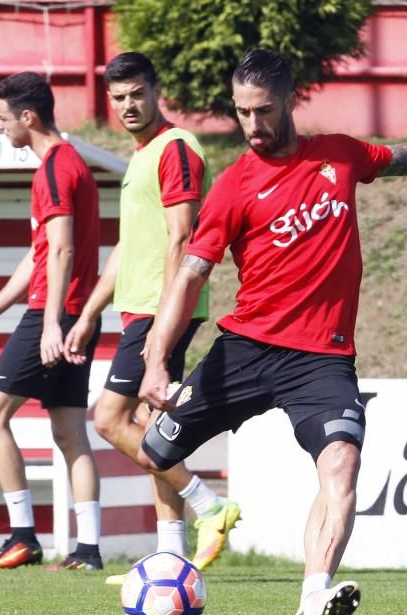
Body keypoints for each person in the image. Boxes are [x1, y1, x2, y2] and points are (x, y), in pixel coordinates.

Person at [136, 49, 407, 615]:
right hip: (247, 348)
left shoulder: (339, 155)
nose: (253, 125)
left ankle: (314, 594)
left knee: (342, 462)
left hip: (321, 358)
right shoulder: (234, 187)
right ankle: (197, 525)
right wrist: (157, 359)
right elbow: (190, 274)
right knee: (154, 450)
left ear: (289, 100)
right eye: (242, 113)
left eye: (263, 110)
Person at [62, 52, 239, 579]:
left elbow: (182, 237)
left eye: (136, 93)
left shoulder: (177, 148)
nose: (128, 105)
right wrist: (89, 313)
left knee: (110, 420)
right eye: (118, 98)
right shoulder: (139, 156)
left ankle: (210, 506)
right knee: (151, 427)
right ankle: (171, 556)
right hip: (138, 310)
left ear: (156, 91)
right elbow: (126, 246)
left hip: (160, 311)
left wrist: (165, 321)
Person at [0, 72, 104, 571]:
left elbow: (61, 249)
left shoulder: (56, 169)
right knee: (69, 432)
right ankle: (87, 550)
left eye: (2, 119)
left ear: (28, 117)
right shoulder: (67, 164)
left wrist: (50, 325)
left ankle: (23, 536)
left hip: (55, 313)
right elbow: (40, 254)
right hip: (71, 311)